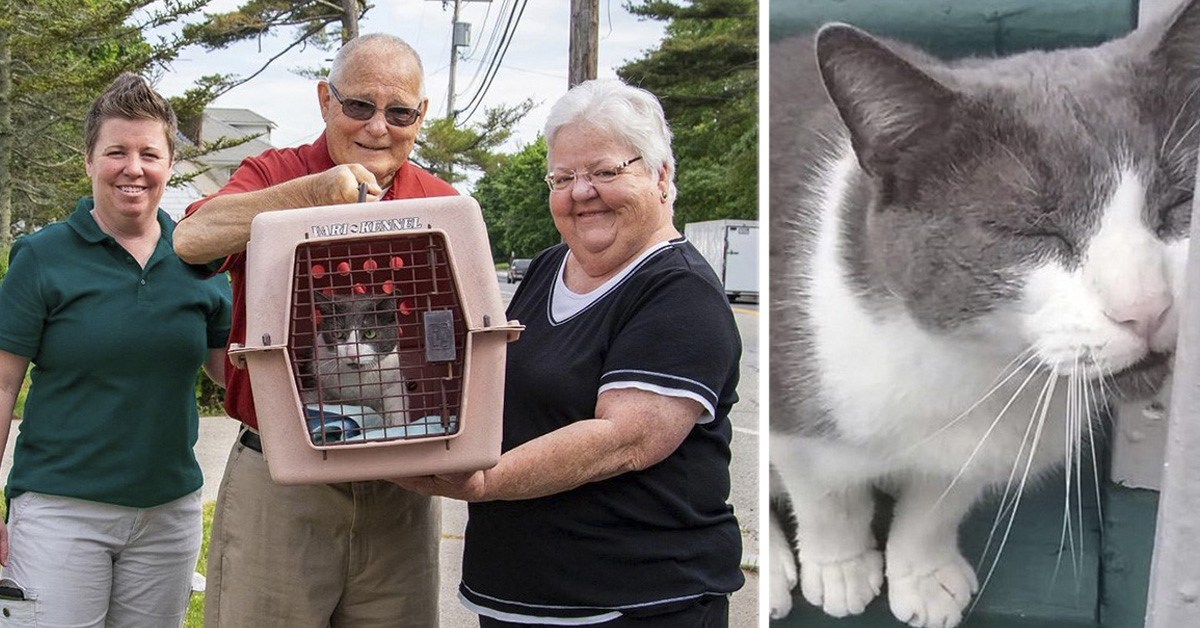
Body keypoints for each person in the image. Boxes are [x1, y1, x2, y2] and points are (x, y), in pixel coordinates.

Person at [396, 78, 744, 627]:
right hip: (517, 596)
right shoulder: (545, 268)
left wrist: (485, 481)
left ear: (660, 175)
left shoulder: (679, 292)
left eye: (606, 172)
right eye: (563, 178)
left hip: (637, 603)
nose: (582, 192)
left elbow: (625, 439)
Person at [172, 33, 456, 628]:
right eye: (359, 106)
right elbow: (191, 240)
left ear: (420, 116)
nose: (379, 126)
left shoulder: (441, 202)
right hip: (281, 478)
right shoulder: (276, 173)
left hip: (401, 485)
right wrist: (314, 192)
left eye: (399, 112)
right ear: (326, 100)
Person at [0, 73, 232, 628]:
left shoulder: (204, 260)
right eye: (116, 152)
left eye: (150, 153)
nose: (134, 168)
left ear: (170, 163)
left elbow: (234, 375)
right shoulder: (41, 257)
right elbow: (4, 385)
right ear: (88, 160)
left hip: (169, 515)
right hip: (60, 511)